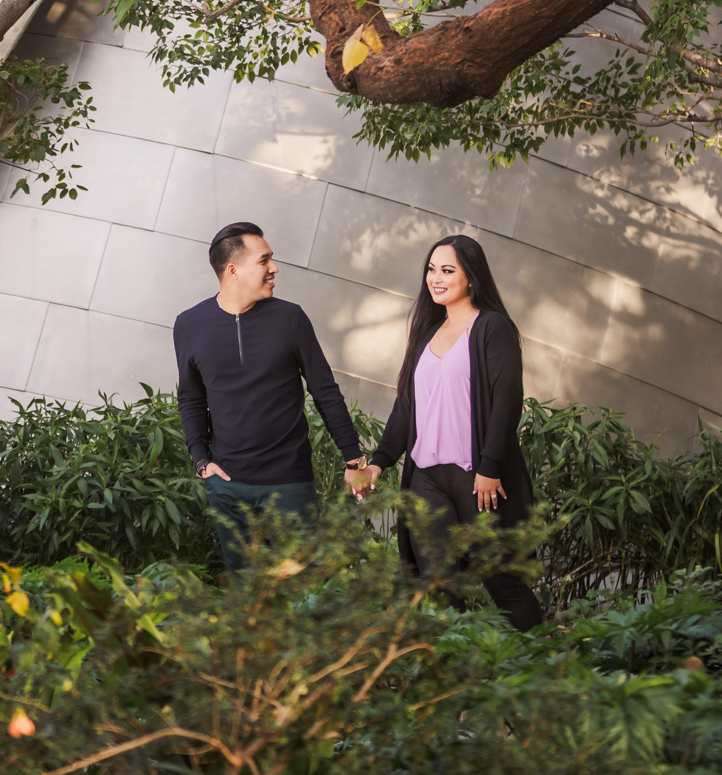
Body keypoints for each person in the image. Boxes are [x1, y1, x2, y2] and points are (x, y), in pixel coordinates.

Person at [350, 234, 544, 631]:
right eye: (431, 269)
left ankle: (548, 668)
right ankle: (454, 678)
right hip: (427, 480)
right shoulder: (426, 334)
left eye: (447, 270)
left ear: (471, 277)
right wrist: (379, 464)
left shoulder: (491, 327)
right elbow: (406, 408)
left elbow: (508, 399)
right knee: (437, 586)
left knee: (504, 580)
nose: (435, 278)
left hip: (478, 478)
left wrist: (490, 467)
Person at [174, 222, 370, 574]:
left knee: (305, 590)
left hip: (289, 484)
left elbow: (324, 391)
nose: (274, 268)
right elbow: (190, 398)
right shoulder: (189, 324)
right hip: (227, 487)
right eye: (264, 260)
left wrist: (354, 460)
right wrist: (202, 462)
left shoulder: (290, 318)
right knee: (249, 595)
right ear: (233, 270)